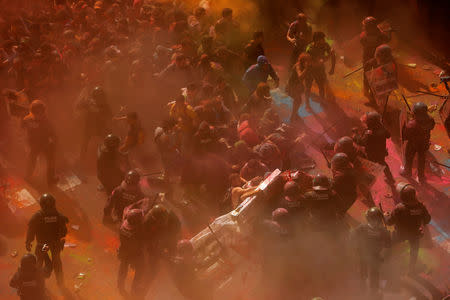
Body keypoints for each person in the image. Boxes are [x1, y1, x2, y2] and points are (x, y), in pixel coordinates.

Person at [386, 183, 431, 274]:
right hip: (415, 234)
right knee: (414, 251)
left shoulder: (399, 208)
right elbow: (427, 220)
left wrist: (385, 216)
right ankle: (412, 269)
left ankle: (386, 261)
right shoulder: (421, 207)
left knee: (388, 243)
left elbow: (389, 222)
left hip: (400, 234)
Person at [25, 194, 68, 287]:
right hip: (55, 244)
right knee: (57, 261)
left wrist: (28, 242)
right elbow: (64, 231)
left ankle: (37, 280)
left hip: (43, 245)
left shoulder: (38, 216)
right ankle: (60, 282)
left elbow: (31, 230)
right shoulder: (58, 215)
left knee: (39, 261)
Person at [352, 207, 391, 297]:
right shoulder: (382, 230)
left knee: (366, 273)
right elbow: (388, 245)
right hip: (373, 255)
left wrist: (356, 249)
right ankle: (372, 292)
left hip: (366, 254)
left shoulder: (363, 227)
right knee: (373, 274)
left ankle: (365, 291)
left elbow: (353, 236)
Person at [21, 100, 58, 185]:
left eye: (42, 113)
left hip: (44, 144)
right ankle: (28, 176)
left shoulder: (28, 119)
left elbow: (53, 133)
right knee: (32, 160)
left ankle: (50, 179)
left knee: (50, 161)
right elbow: (22, 129)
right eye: (39, 113)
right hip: (36, 144)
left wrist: (54, 141)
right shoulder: (29, 120)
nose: (41, 115)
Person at [400, 102, 435, 183]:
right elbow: (432, 127)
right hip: (424, 143)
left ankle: (407, 172)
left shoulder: (411, 124)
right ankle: (421, 176)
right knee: (422, 160)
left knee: (409, 158)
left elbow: (405, 136)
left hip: (413, 144)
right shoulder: (431, 119)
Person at [75, 86, 112, 160]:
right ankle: (82, 159)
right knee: (85, 142)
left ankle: (109, 157)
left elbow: (110, 115)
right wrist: (84, 103)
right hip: (90, 127)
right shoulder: (90, 103)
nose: (99, 98)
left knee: (108, 139)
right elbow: (78, 106)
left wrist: (100, 112)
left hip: (100, 127)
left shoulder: (104, 105)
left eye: (100, 96)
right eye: (97, 96)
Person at [358, 111, 394, 183]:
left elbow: (362, 143)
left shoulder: (369, 133)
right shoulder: (381, 128)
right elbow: (388, 135)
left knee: (371, 166)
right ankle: (390, 179)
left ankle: (370, 180)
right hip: (381, 151)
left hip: (372, 154)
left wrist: (357, 136)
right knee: (383, 164)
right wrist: (382, 127)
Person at [359, 17, 391, 98]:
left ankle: (367, 91)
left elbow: (362, 42)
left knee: (367, 75)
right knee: (377, 76)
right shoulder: (379, 33)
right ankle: (374, 94)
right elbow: (387, 39)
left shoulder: (364, 35)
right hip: (377, 58)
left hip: (367, 58)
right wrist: (388, 32)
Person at [117, 209, 145, 296]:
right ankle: (134, 290)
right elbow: (139, 246)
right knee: (140, 270)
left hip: (123, 250)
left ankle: (119, 285)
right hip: (132, 253)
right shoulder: (136, 233)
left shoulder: (123, 226)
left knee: (123, 268)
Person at [305, 31, 335, 102]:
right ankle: (307, 103)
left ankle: (322, 100)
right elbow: (318, 62)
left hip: (319, 68)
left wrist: (332, 68)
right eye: (322, 39)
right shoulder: (310, 48)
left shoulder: (324, 45)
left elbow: (333, 55)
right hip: (309, 69)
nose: (324, 40)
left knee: (321, 86)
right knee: (308, 87)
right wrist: (329, 55)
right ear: (317, 40)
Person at [286, 53, 312, 118]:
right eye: (307, 61)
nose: (309, 62)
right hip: (292, 85)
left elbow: (305, 77)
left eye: (309, 61)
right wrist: (306, 68)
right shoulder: (298, 66)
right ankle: (293, 116)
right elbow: (300, 77)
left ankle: (295, 114)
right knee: (298, 100)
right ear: (303, 61)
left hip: (297, 85)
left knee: (297, 100)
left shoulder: (304, 66)